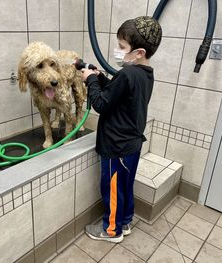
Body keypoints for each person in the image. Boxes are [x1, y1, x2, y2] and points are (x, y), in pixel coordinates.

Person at [81, 16, 162, 243]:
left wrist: (90, 81)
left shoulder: (127, 73)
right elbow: (121, 93)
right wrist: (101, 78)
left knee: (113, 189)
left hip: (116, 146)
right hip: (131, 145)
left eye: (122, 47)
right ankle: (125, 222)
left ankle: (111, 230)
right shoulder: (145, 73)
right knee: (125, 187)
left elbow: (102, 104)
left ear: (139, 52)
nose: (117, 51)